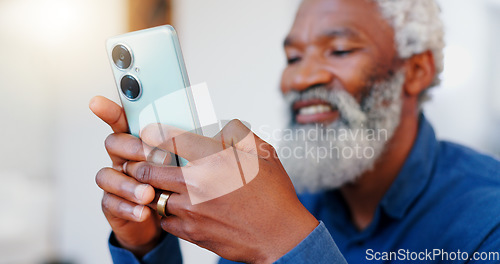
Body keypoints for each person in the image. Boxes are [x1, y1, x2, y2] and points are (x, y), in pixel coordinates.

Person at [90, 0, 500, 263]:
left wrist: (287, 241)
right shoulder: (275, 195)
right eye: (293, 56)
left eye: (339, 50)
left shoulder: (488, 220)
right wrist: (144, 246)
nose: (300, 77)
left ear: (416, 70)